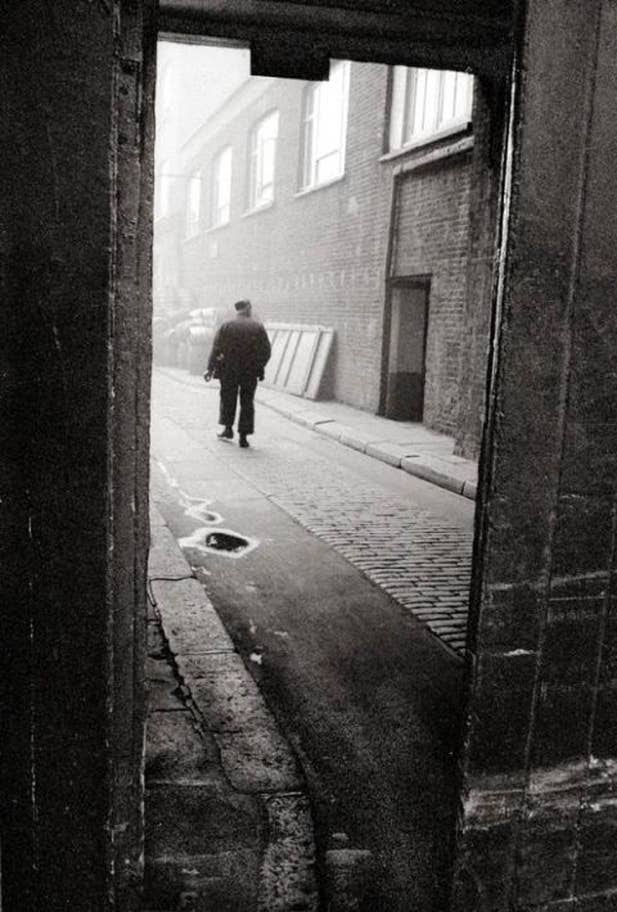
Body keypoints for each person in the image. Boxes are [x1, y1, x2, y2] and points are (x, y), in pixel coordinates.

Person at [204, 299, 271, 448]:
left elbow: (216, 349)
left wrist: (210, 369)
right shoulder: (257, 327)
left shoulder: (226, 326)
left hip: (228, 370)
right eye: (250, 308)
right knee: (247, 402)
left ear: (237, 310)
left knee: (228, 398)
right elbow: (266, 351)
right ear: (247, 309)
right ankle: (243, 437)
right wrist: (259, 366)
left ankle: (228, 429)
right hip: (249, 372)